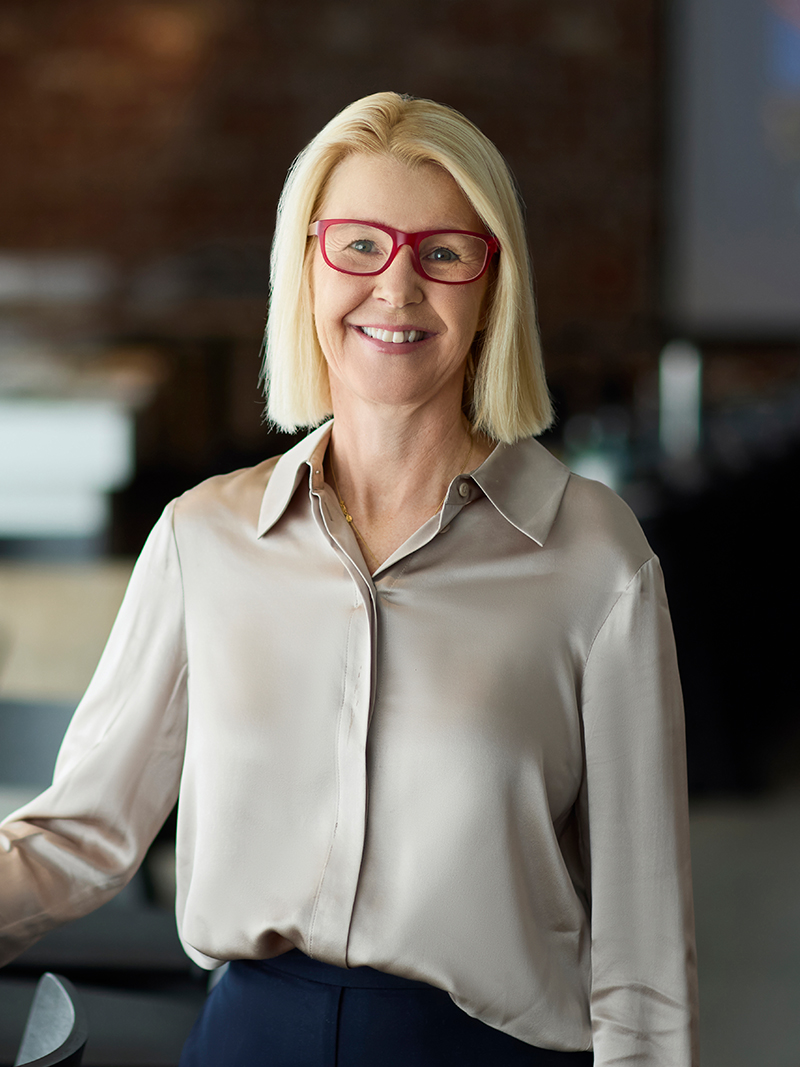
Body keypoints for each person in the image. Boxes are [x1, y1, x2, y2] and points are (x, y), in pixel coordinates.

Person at [0, 92, 698, 1066]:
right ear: (308, 267)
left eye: (443, 252)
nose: (397, 287)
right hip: (250, 1039)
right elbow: (73, 838)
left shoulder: (592, 558)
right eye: (358, 246)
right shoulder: (203, 538)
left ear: (491, 285)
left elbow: (642, 950)